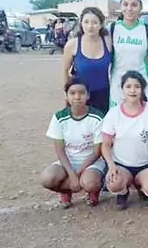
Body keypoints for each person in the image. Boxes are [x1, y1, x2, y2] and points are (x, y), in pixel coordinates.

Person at [101, 70, 148, 210]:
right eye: (128, 86)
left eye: (137, 86)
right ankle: (123, 192)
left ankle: (141, 186)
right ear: (122, 89)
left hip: (146, 163)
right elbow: (105, 145)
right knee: (114, 183)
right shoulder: (113, 114)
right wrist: (111, 166)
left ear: (142, 89)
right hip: (121, 164)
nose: (133, 90)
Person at [39, 78, 106, 209]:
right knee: (47, 179)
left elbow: (97, 152)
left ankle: (93, 191)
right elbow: (60, 151)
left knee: (90, 183)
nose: (77, 97)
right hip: (68, 161)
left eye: (81, 93)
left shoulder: (97, 117)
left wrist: (78, 172)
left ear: (88, 95)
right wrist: (71, 173)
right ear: (66, 95)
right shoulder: (59, 117)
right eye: (72, 93)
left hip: (91, 162)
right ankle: (65, 191)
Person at [62, 7, 112, 114]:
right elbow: (65, 71)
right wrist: (68, 95)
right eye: (86, 22)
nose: (90, 26)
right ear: (81, 23)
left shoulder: (108, 42)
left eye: (94, 22)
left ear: (101, 24)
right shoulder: (72, 44)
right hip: (80, 97)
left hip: (105, 97)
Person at [109, 0, 148, 109]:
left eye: (134, 5)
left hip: (142, 84)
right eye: (125, 4)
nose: (129, 8)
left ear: (140, 7)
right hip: (117, 85)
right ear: (120, 6)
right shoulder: (112, 29)